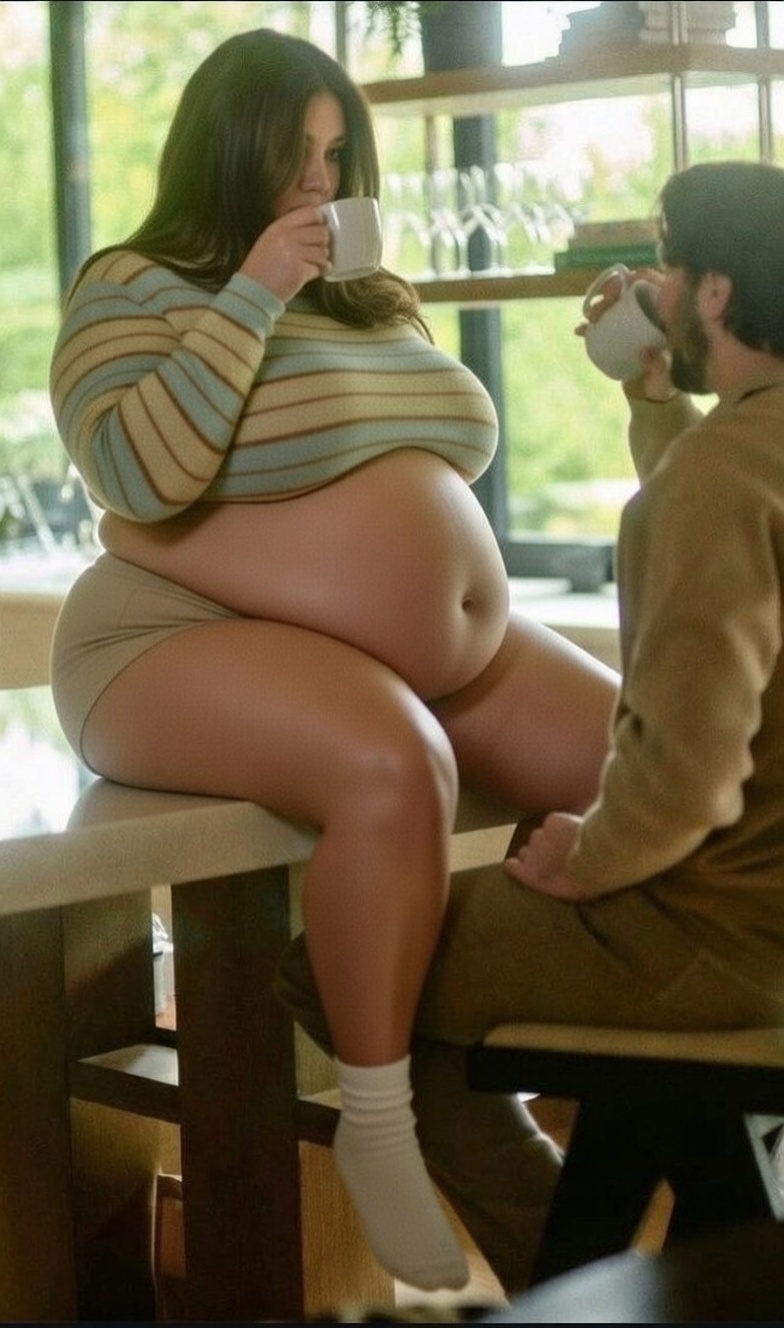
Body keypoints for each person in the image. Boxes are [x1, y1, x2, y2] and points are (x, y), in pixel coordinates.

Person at [48, 27, 618, 1293]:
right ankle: (379, 1118)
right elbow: (142, 478)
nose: (320, 179)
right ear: (223, 149)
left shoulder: (365, 296)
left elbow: (438, 445)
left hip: (400, 647)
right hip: (163, 636)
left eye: (335, 151)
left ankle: (506, 1080)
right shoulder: (127, 284)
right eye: (292, 151)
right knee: (391, 765)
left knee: (653, 760)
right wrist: (252, 289)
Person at [278, 157, 784, 1297]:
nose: (652, 287)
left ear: (714, 291)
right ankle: (620, 1274)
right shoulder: (735, 466)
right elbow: (729, 544)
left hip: (718, 944)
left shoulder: (713, 486)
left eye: (668, 267)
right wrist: (657, 404)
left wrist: (588, 855)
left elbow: (688, 776)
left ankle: (576, 1282)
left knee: (338, 968)